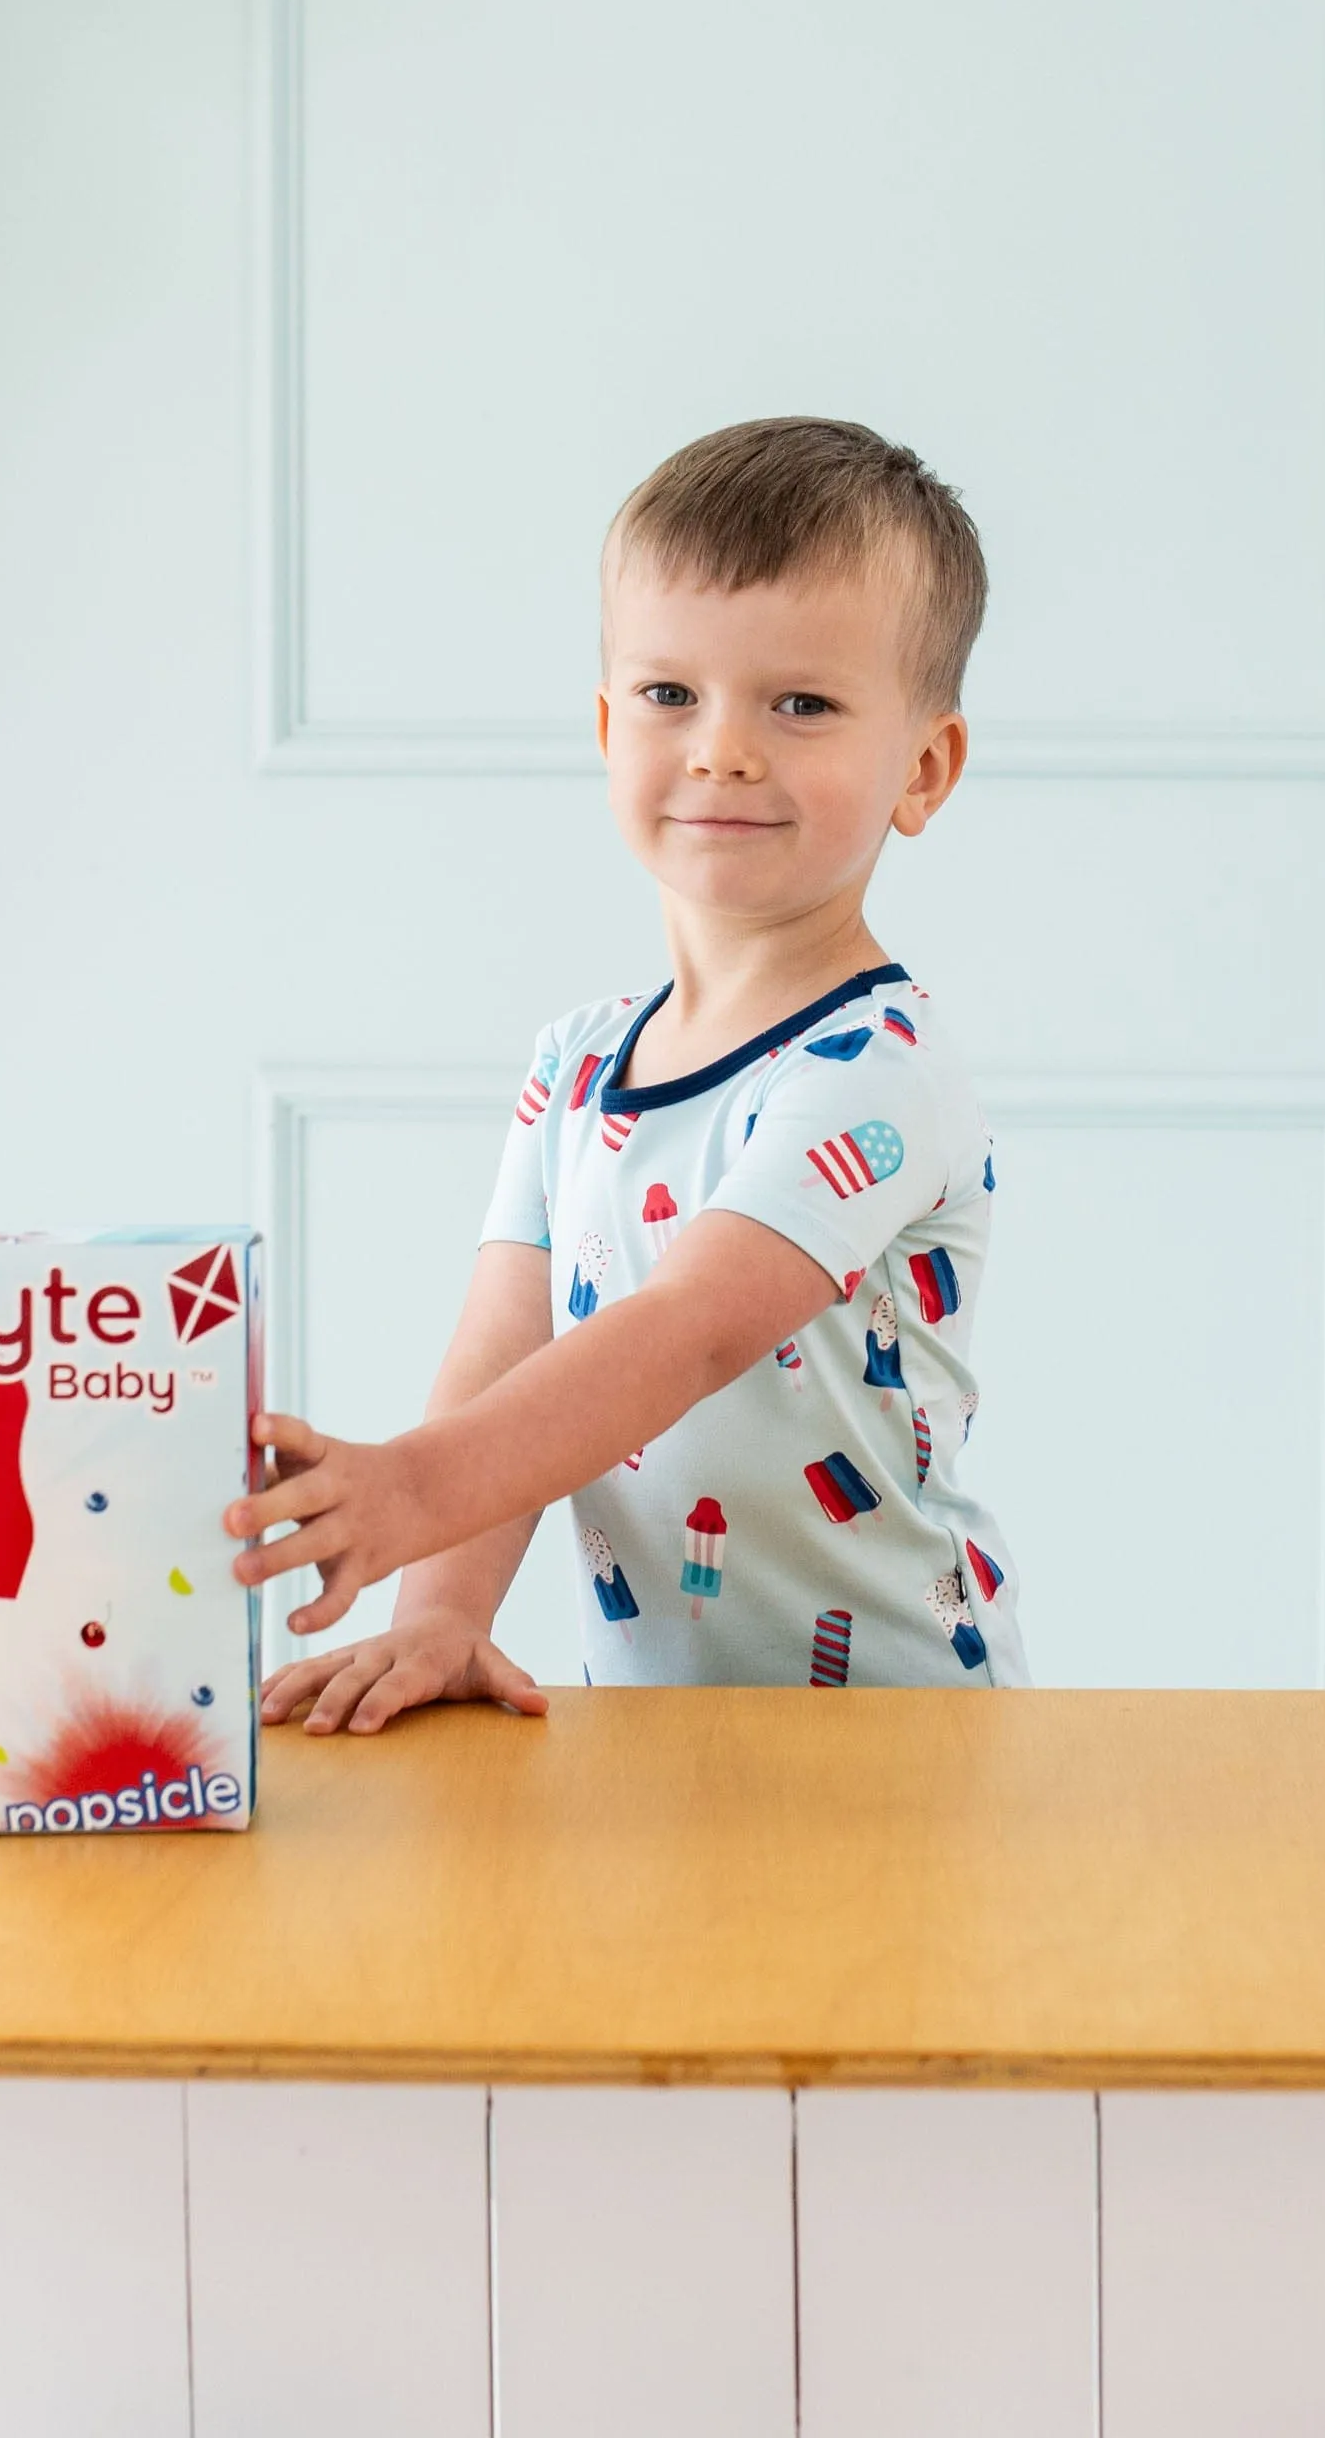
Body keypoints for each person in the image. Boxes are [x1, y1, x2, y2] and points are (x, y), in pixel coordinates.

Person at [229, 415, 1024, 1726]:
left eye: (803, 705)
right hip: (660, 1738)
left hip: (900, 1733)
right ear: (608, 727)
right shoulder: (577, 1062)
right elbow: (505, 1350)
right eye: (671, 696)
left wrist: (413, 1487)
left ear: (923, 769)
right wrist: (438, 1617)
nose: (723, 748)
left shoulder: (882, 1069)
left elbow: (688, 1330)